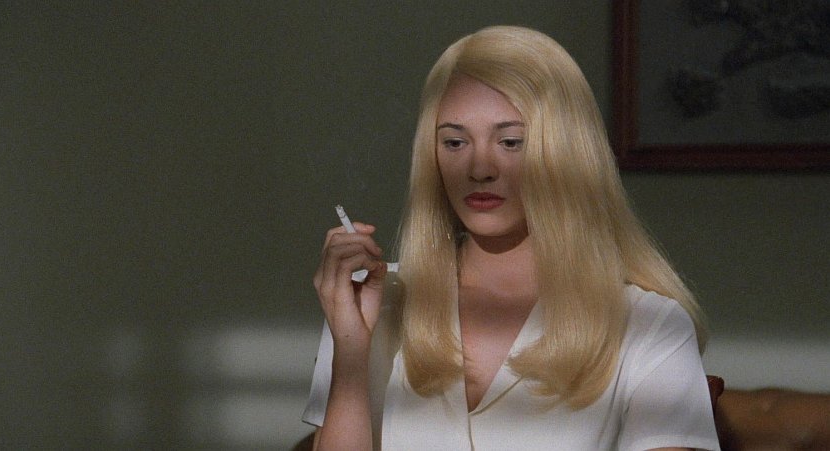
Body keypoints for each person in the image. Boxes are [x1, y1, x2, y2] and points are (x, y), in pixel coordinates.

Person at [303, 26, 720, 450]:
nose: (479, 168)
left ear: (566, 152)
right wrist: (351, 356)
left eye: (510, 142)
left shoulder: (649, 325)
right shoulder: (371, 302)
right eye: (454, 142)